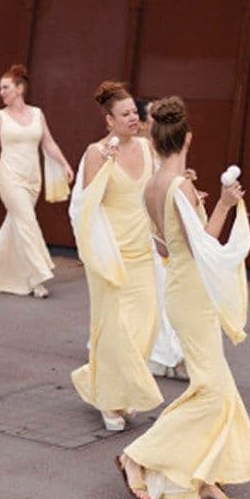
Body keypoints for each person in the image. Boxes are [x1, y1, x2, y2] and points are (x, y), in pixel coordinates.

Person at [116, 97, 250, 499]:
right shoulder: (179, 186)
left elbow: (163, 246)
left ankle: (206, 477)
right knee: (212, 390)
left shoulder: (154, 185)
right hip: (193, 293)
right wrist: (223, 202)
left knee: (219, 387)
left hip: (180, 288)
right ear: (187, 138)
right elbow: (203, 242)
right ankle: (138, 455)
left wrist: (194, 204)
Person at [70, 82, 163, 431]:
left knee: (145, 324)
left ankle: (104, 382)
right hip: (109, 252)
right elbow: (87, 205)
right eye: (124, 114)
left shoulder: (145, 147)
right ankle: (110, 400)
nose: (133, 119)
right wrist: (106, 166)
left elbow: (154, 192)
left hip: (141, 250)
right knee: (113, 328)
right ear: (109, 120)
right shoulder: (96, 152)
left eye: (135, 113)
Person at [0, 64, 73, 298]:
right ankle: (38, 278)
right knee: (27, 222)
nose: (1, 92)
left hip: (33, 178)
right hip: (10, 176)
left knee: (17, 225)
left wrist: (64, 164)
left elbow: (49, 142)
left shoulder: (37, 113)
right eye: (0, 89)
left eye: (6, 87)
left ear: (19, 88)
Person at [135, 97, 187, 381]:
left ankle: (170, 352)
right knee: (157, 288)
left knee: (165, 288)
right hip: (146, 225)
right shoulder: (138, 150)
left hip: (163, 224)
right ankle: (163, 353)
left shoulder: (167, 152)